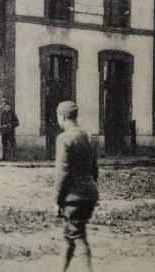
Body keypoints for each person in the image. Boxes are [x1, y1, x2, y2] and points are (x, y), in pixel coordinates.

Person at [54, 100, 98, 272]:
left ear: (62, 117)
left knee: (78, 236)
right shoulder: (89, 137)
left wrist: (57, 200)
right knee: (70, 236)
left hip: (73, 198)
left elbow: (62, 173)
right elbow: (94, 170)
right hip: (89, 194)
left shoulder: (64, 139)